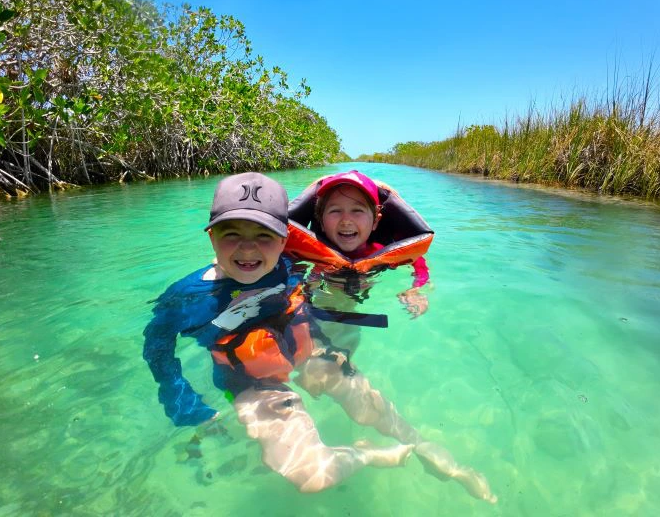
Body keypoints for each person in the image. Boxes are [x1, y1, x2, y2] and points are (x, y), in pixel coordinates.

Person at [143, 172, 496, 501]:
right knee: (312, 475)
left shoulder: (290, 266)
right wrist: (187, 409)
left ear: (285, 240)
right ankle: (367, 455)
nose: (248, 250)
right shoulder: (185, 300)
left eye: (263, 235)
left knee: (365, 407)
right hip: (253, 383)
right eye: (231, 234)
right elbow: (157, 352)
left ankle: (422, 445)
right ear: (211, 237)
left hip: (311, 350)